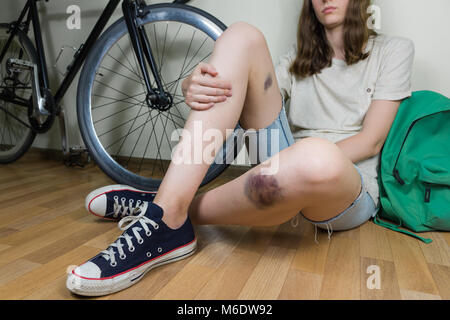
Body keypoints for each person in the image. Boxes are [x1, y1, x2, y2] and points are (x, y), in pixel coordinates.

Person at [66, 0, 414, 296]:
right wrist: (193, 84)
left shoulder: (394, 50)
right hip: (289, 165)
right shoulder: (298, 57)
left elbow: (372, 140)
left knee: (317, 156)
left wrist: (300, 159)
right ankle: (168, 210)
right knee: (242, 36)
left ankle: (163, 210)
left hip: (347, 187)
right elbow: (242, 91)